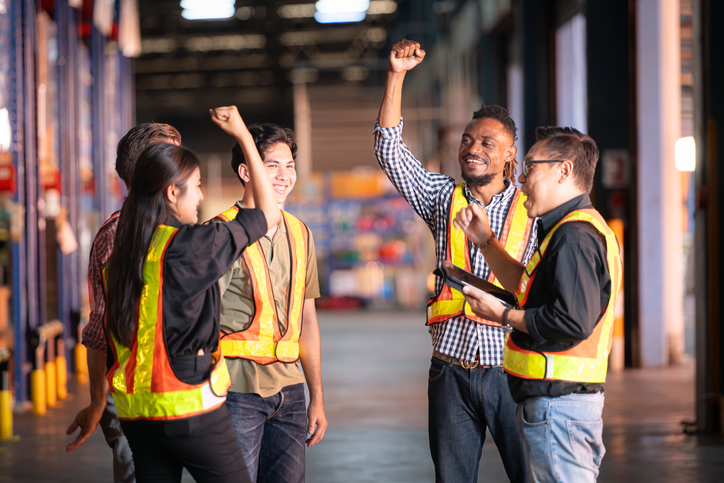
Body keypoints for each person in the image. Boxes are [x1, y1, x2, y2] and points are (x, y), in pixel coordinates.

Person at [374, 39, 536, 483]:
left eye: (487, 141)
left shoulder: (533, 209)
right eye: (467, 140)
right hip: (450, 374)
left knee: (530, 475)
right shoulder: (443, 197)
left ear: (509, 154)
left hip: (512, 373)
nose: (473, 147)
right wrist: (396, 75)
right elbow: (389, 149)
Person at [101, 106, 280, 483]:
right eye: (197, 185)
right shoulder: (191, 246)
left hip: (137, 410)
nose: (200, 196)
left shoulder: (121, 254)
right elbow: (267, 212)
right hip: (188, 405)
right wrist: (244, 136)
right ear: (171, 191)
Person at [453, 127, 623, 483]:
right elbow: (530, 289)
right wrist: (486, 242)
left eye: (530, 167)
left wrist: (501, 315)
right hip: (556, 404)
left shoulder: (574, 236)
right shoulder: (567, 229)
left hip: (558, 406)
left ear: (563, 171)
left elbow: (570, 322)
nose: (521, 178)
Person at [208, 122, 327, 483]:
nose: (284, 175)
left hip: (290, 392)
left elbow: (307, 320)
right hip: (235, 391)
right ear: (247, 171)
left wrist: (316, 395)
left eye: (289, 165)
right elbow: (200, 318)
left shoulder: (301, 232)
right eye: (272, 165)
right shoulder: (220, 232)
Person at [66, 123, 182, 483]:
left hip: (177, 388)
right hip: (131, 393)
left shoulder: (181, 231)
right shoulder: (117, 236)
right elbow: (101, 327)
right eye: (169, 159)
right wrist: (99, 401)